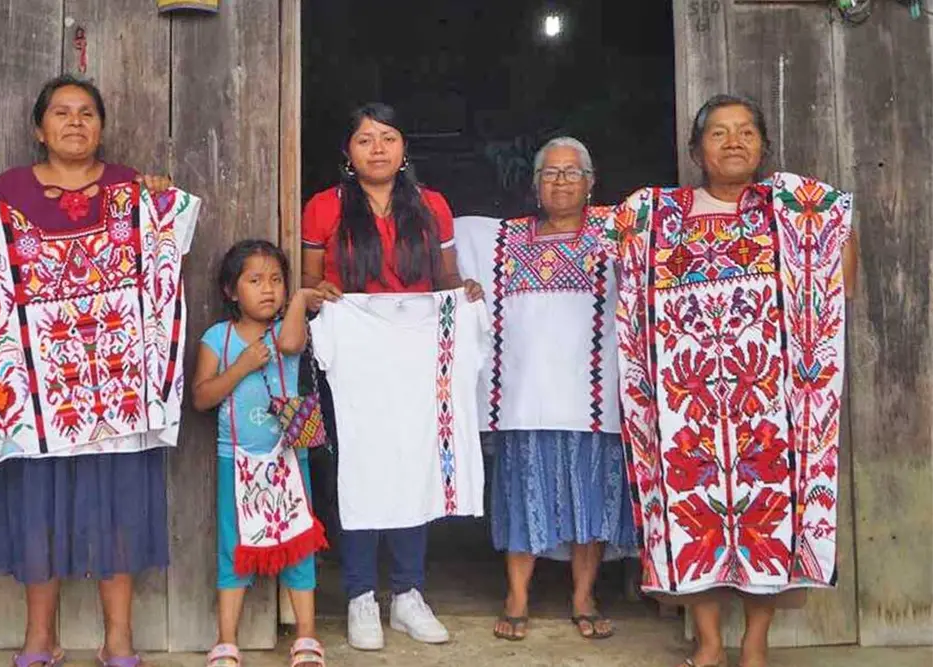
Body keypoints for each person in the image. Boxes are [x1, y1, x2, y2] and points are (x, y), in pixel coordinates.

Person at [610, 94, 859, 667]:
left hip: (765, 402)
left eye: (746, 132)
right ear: (696, 150)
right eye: (718, 133)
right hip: (684, 405)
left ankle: (754, 644)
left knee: (765, 516)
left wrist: (831, 269)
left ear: (764, 147)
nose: (734, 142)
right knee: (690, 512)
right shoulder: (657, 213)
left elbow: (839, 257)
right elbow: (601, 247)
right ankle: (708, 643)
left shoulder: (787, 210)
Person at [0, 74, 177, 667]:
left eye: (86, 113)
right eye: (61, 112)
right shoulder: (7, 191)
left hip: (114, 381)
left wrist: (159, 200)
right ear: (39, 128)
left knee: (119, 503)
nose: (75, 122)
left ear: (101, 127)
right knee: (38, 503)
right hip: (37, 385)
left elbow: (157, 259)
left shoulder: (130, 188)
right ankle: (40, 637)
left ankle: (118, 638)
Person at [300, 102, 483, 650]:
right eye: (364, 139)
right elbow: (312, 283)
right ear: (347, 151)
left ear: (404, 148)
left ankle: (407, 594)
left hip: (416, 354)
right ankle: (360, 595)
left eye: (388, 137)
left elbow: (445, 277)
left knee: (412, 461)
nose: (377, 148)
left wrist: (463, 294)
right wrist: (322, 298)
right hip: (356, 352)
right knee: (361, 464)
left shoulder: (432, 205)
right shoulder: (324, 207)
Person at [456, 137, 638, 642]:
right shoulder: (502, 240)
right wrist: (463, 284)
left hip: (593, 402)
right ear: (535, 185)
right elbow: (446, 242)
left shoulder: (617, 234)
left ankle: (583, 597)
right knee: (523, 497)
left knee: (590, 500)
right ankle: (517, 596)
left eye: (572, 172)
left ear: (591, 182)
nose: (561, 182)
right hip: (526, 400)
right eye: (550, 173)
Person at [193, 240, 329, 667]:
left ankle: (306, 636)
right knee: (234, 547)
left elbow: (290, 344)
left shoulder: (287, 328)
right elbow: (201, 397)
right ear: (231, 291)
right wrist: (241, 366)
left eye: (276, 280)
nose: (268, 289)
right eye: (254, 280)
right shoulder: (218, 338)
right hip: (237, 460)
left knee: (299, 543)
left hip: (288, 458)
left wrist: (301, 299)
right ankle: (226, 641)